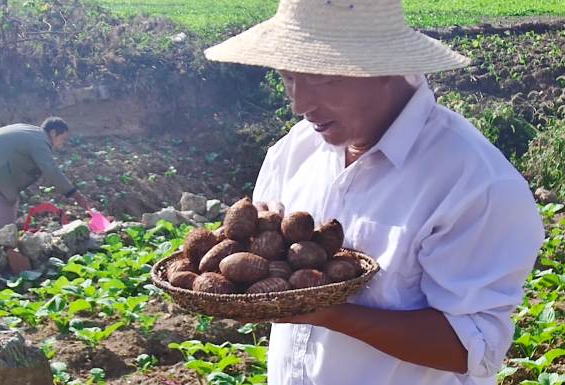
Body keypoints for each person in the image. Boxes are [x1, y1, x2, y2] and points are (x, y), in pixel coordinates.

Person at [205, 0, 545, 384]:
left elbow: (470, 348)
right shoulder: (294, 151)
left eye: (321, 78)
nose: (301, 103)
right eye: (289, 78)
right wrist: (257, 241)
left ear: (384, 67)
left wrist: (330, 313)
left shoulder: (473, 183)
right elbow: (271, 269)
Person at [0, 117, 91, 238]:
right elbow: (51, 169)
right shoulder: (40, 140)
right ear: (53, 133)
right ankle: (3, 247)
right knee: (5, 203)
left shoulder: (30, 131)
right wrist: (75, 194)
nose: (62, 144)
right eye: (63, 139)